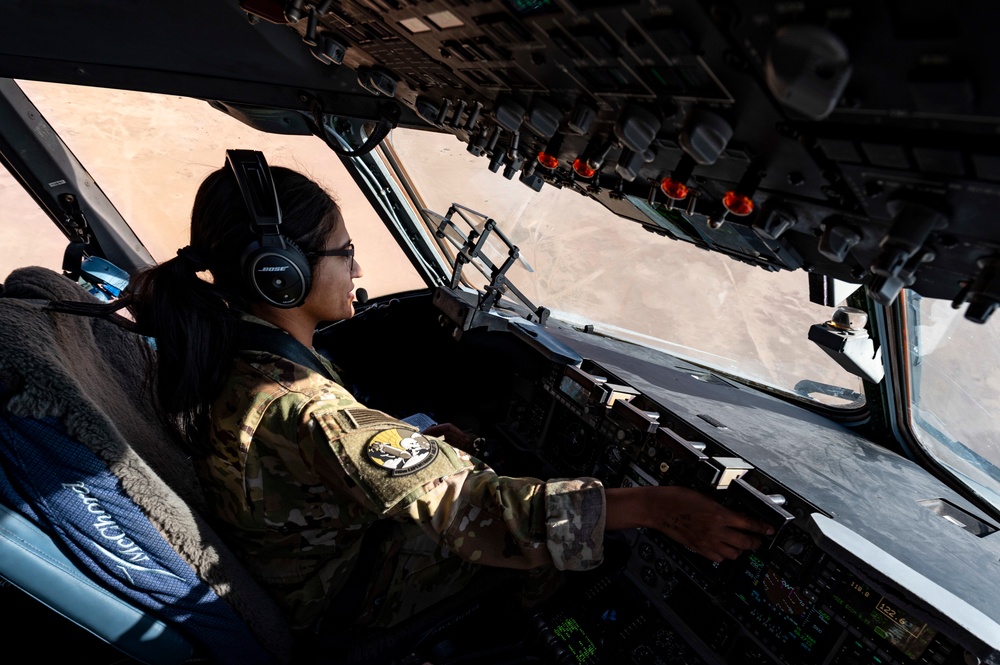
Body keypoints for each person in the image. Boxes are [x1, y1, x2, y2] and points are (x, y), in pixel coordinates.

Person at [122, 154, 773, 638]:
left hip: (309, 566)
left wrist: (415, 453)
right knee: (556, 547)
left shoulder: (237, 355)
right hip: (346, 602)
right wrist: (653, 506)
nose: (358, 268)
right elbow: (470, 507)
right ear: (280, 273)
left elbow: (324, 466)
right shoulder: (300, 403)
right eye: (344, 252)